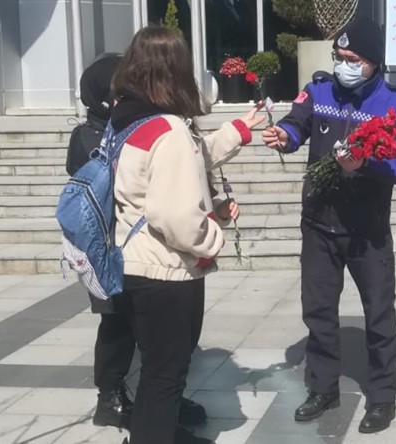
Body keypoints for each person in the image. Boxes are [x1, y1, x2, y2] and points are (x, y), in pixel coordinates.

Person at [261, 18, 396, 434]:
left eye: (352, 59)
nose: (343, 65)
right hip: (319, 225)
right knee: (318, 314)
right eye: (339, 57)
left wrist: (368, 164)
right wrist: (284, 135)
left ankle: (382, 398)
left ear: (373, 62)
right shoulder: (319, 90)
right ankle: (323, 387)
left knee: (379, 318)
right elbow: (298, 123)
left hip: (367, 232)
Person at [108, 26, 264, 444]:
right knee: (165, 378)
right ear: (175, 71)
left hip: (134, 264)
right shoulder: (170, 130)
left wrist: (237, 132)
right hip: (167, 273)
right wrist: (211, 238)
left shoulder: (129, 120)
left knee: (156, 374)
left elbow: (186, 163)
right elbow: (174, 215)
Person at [66, 53, 210, 433]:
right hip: (114, 251)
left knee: (155, 357)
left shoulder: (127, 126)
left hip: (131, 251)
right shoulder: (95, 136)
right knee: (119, 331)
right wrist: (211, 237)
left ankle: (161, 412)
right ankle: (111, 396)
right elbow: (163, 208)